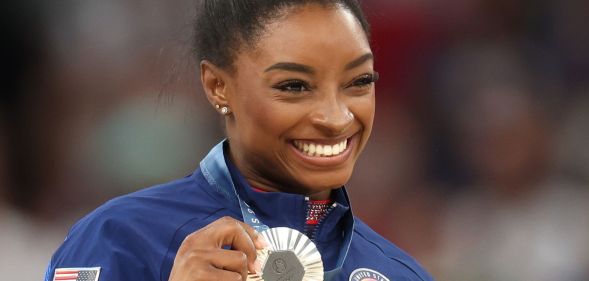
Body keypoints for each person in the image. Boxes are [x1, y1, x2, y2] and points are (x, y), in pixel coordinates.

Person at [45, 1, 434, 280]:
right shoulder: (118, 239)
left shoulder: (398, 273)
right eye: (294, 86)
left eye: (359, 82)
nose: (336, 118)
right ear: (218, 86)